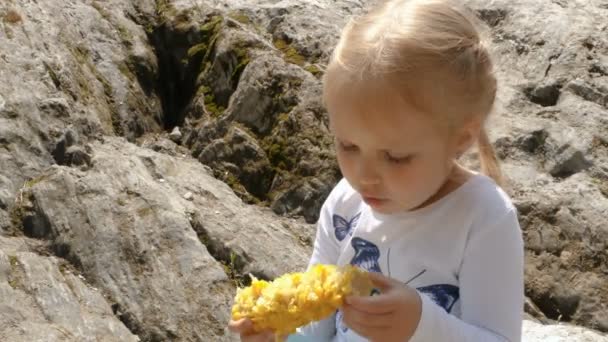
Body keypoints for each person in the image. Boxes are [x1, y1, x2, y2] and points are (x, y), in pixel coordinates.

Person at [229, 0, 524, 340]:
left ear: (460, 139)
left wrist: (422, 325)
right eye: (348, 146)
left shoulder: (483, 218)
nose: (363, 176)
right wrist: (276, 333)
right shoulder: (345, 204)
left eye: (396, 156)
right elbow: (317, 331)